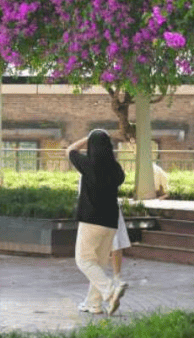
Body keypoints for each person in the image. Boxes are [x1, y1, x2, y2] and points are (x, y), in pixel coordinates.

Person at [67, 129, 128, 316]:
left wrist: (88, 138)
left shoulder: (88, 164)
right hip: (110, 221)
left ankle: (110, 290)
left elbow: (70, 150)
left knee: (84, 260)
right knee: (99, 264)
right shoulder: (116, 168)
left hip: (91, 220)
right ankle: (93, 305)